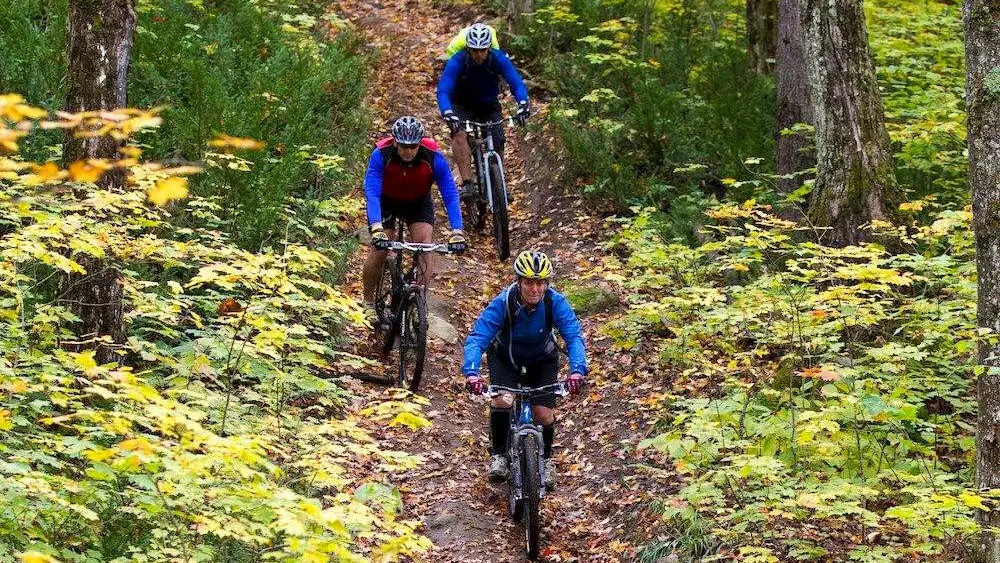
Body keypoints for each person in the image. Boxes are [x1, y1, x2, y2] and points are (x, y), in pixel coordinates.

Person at [462, 250, 587, 488]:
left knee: (543, 414)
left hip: (541, 359)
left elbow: (573, 337)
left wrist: (577, 371)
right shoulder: (503, 302)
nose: (535, 289)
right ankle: (498, 454)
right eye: (529, 282)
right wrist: (471, 372)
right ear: (519, 282)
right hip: (506, 358)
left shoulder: (554, 302)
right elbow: (478, 339)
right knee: (503, 400)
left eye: (540, 283)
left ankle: (547, 460)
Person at [361, 116, 467, 321]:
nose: (408, 151)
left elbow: (450, 193)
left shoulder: (433, 157)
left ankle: (419, 299)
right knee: (380, 248)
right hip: (386, 201)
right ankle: (368, 302)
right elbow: (372, 191)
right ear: (394, 142)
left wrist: (457, 231)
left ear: (419, 143)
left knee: (424, 242)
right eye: (403, 146)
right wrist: (376, 227)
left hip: (418, 201)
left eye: (413, 146)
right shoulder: (381, 155)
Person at [437, 23, 531, 201]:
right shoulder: (458, 60)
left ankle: (499, 182)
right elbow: (443, 89)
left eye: (482, 50)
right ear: (468, 48)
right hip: (462, 103)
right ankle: (467, 183)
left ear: (489, 47)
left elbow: (516, 83)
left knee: (498, 138)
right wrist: (448, 111)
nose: (478, 54)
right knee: (459, 134)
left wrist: (523, 103)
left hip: (488, 104)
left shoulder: (498, 59)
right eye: (474, 50)